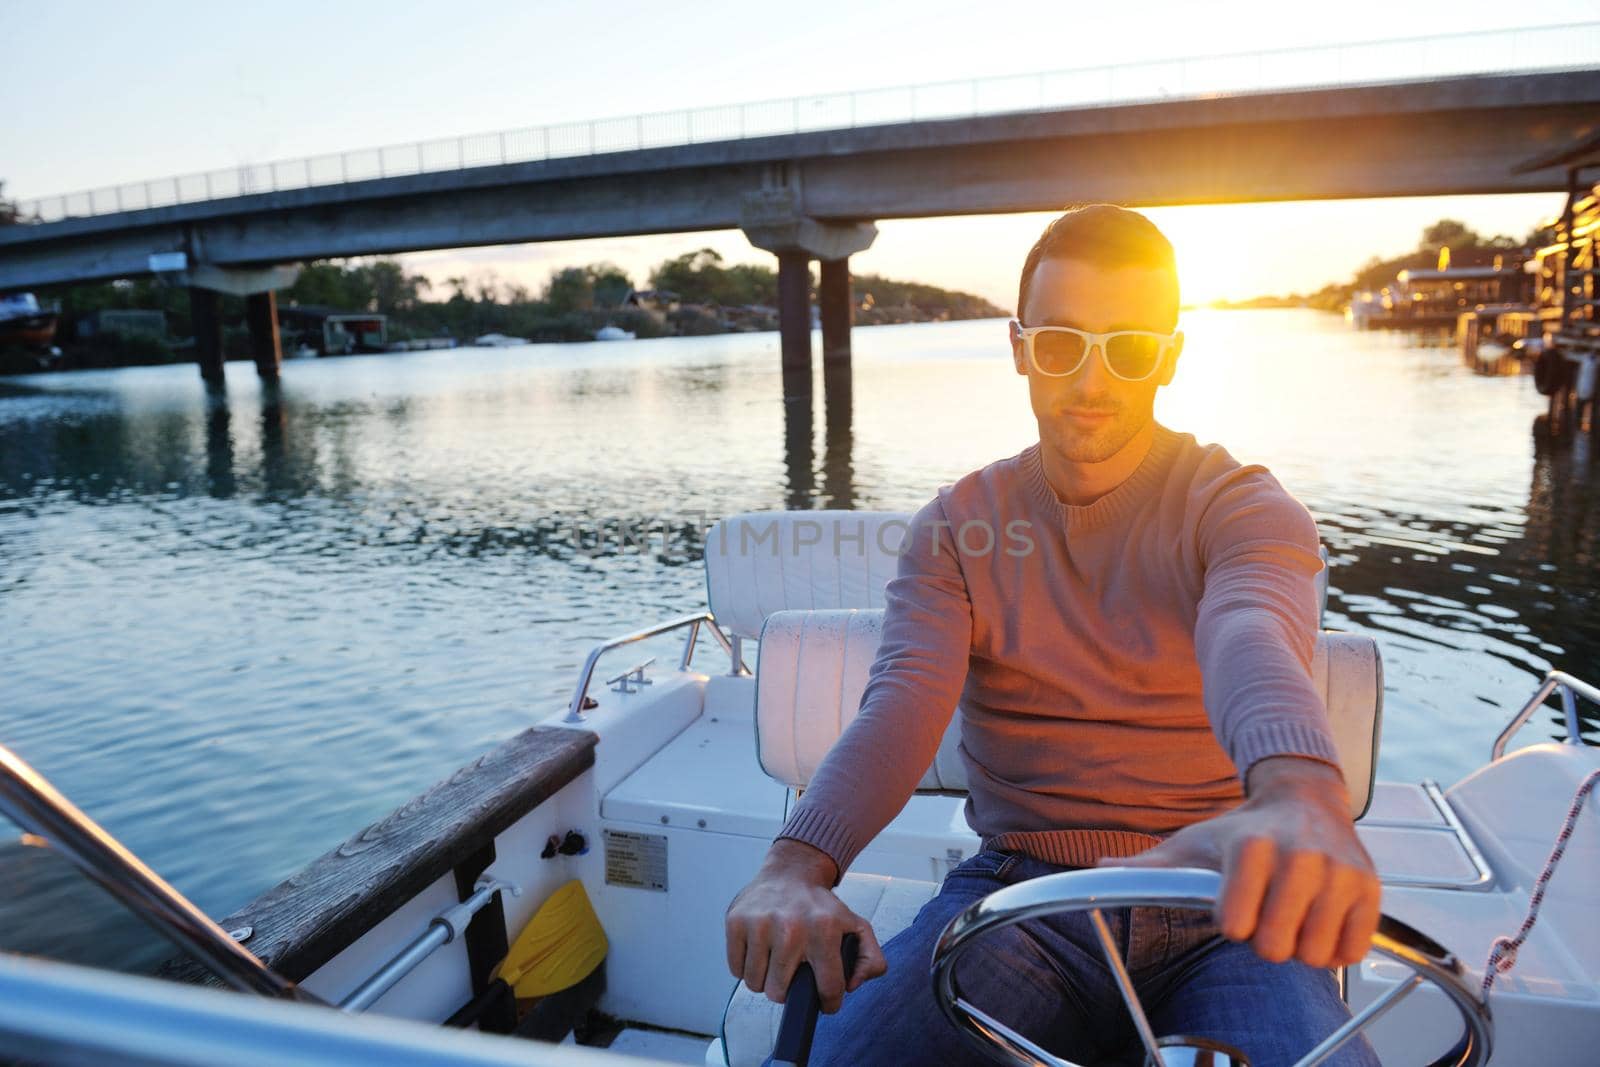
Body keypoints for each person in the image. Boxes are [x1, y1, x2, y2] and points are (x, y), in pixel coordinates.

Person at [722, 204, 1383, 1066]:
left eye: (1131, 347)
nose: (1094, 380)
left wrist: (1299, 793)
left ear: (1171, 356)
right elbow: (903, 707)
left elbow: (1250, 628)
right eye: (1063, 342)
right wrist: (795, 865)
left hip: (1226, 904)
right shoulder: (958, 525)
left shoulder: (1242, 506)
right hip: (1024, 895)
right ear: (1020, 347)